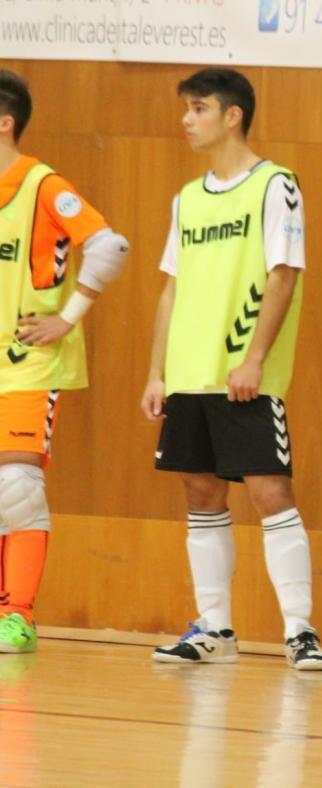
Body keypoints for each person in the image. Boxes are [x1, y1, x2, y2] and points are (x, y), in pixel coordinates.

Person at [140, 68, 322, 671]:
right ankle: (215, 627)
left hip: (244, 375)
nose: (185, 120)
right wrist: (156, 373)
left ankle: (300, 630)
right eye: (185, 110)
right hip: (189, 376)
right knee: (200, 491)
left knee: (271, 494)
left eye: (197, 109)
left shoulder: (276, 185)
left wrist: (253, 359)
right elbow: (171, 291)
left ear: (233, 115)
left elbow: (284, 274)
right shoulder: (187, 199)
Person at [0, 70, 129, 653]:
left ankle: (17, 615)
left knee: (16, 484)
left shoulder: (44, 186)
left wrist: (68, 317)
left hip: (28, 362)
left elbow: (109, 246)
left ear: (5, 122)